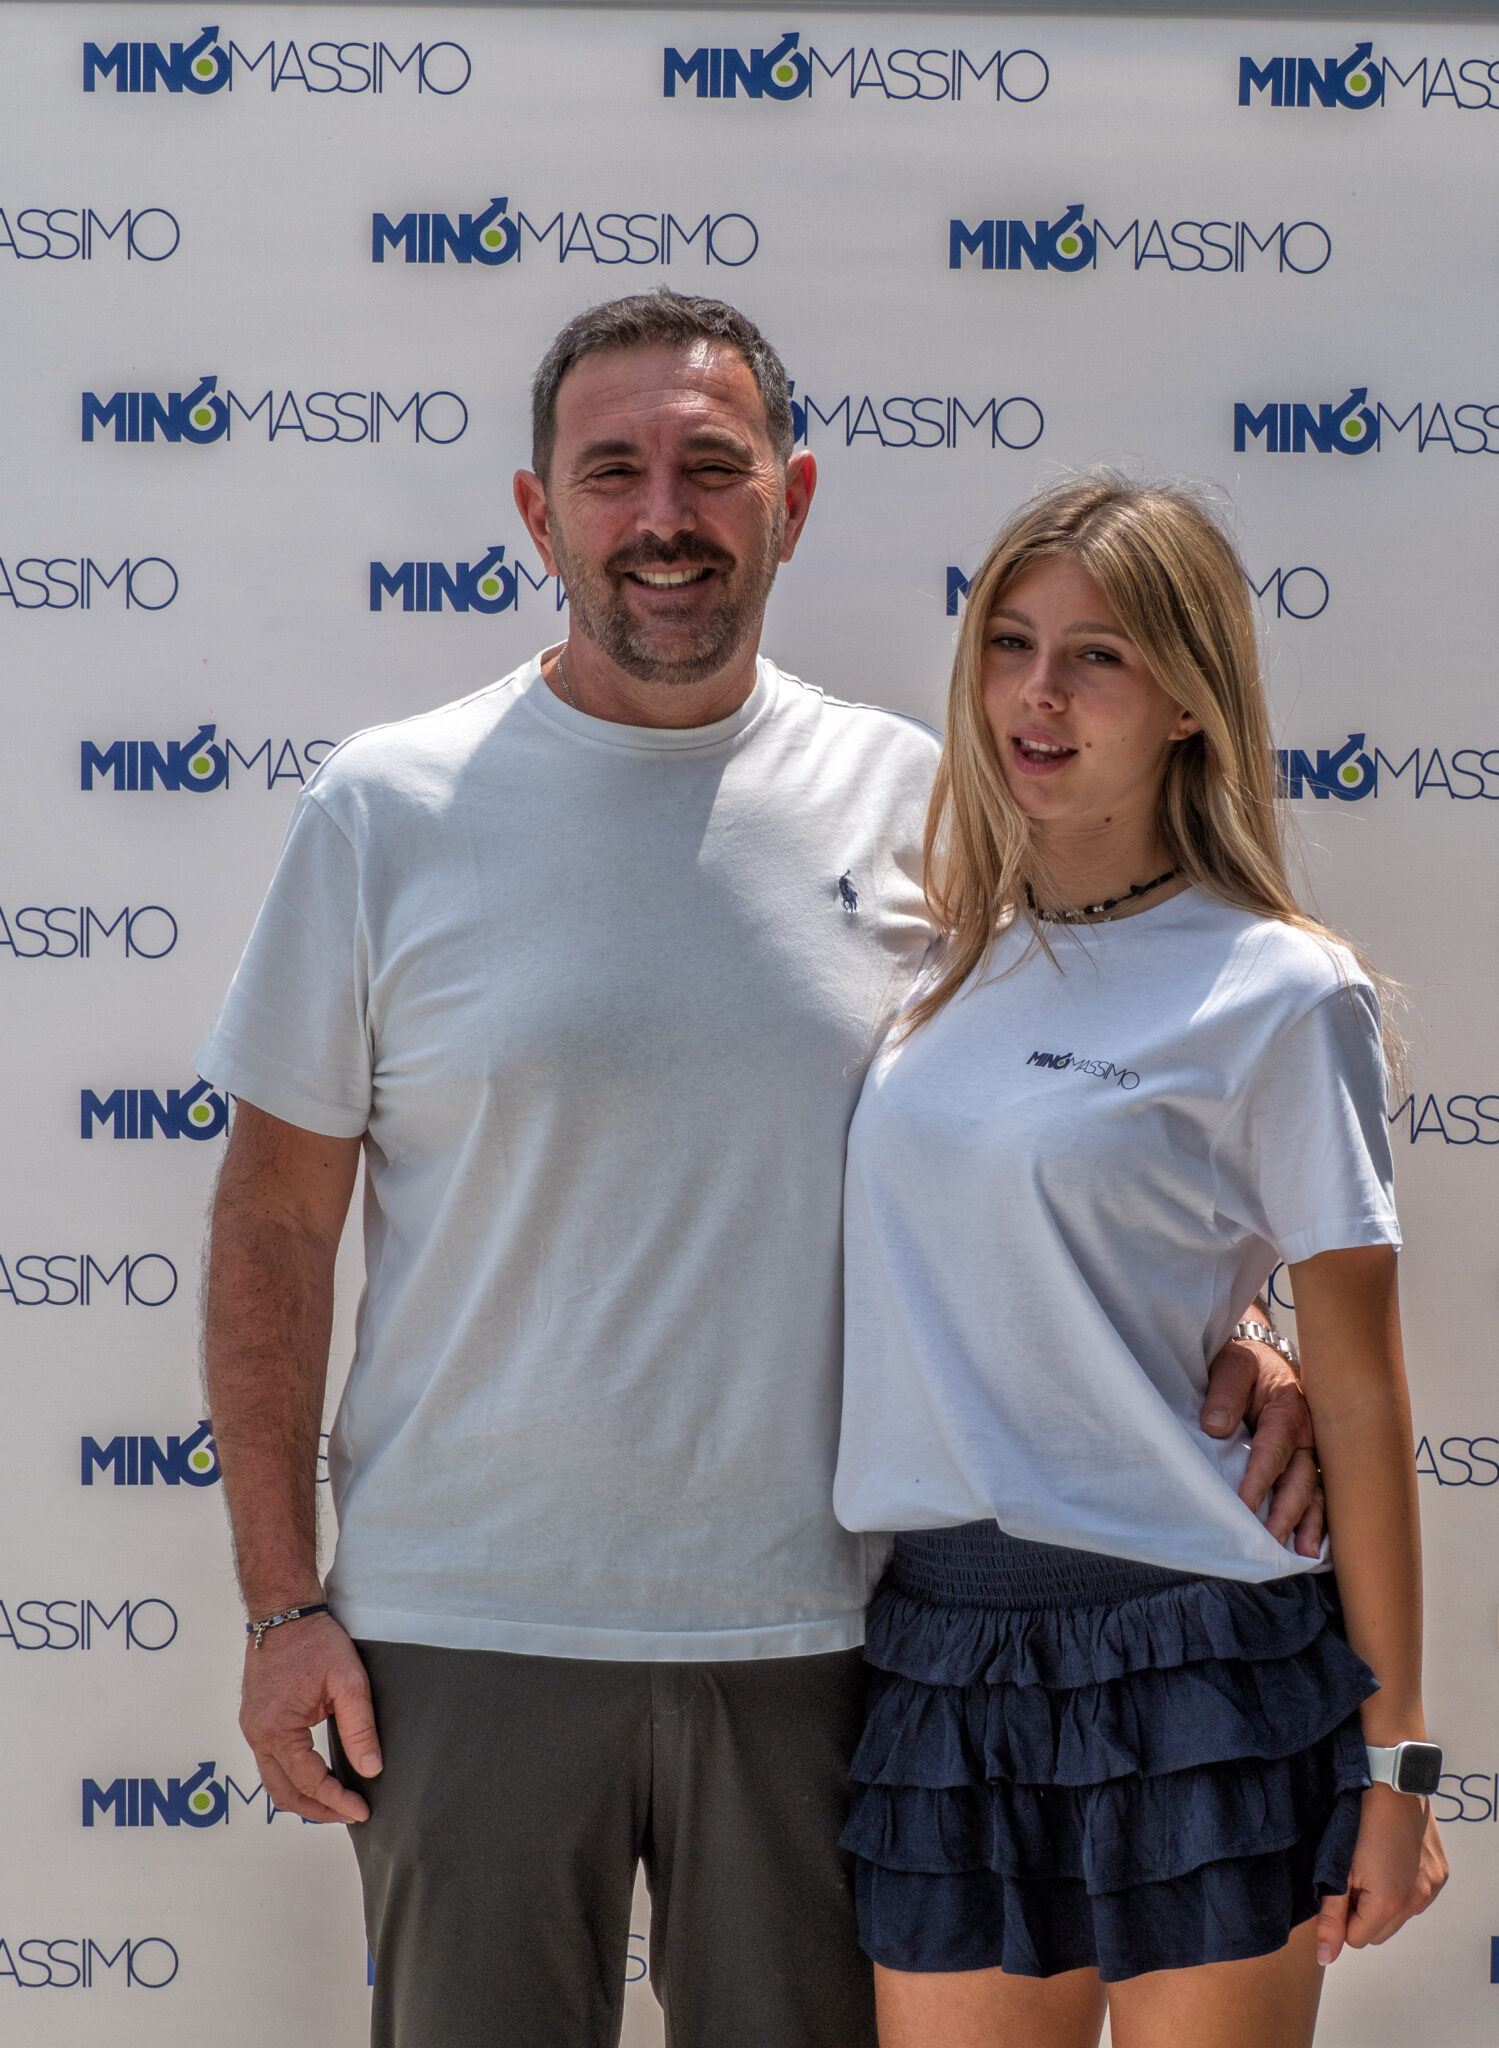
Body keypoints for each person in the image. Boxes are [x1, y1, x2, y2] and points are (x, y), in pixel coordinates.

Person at [198, 295, 1321, 2048]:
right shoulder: (382, 811)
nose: (665, 518)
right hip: (462, 1634)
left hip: (834, 1641)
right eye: (614, 472)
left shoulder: (931, 805)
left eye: (712, 469)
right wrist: (282, 1604)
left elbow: (1093, 1103)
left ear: (791, 499)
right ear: (537, 512)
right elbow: (273, 1227)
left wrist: (1246, 1321)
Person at [832, 474, 1448, 2048]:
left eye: (1096, 656)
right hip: (940, 1656)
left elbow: (1362, 1400)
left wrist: (1398, 1767)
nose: (1038, 694)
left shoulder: (1283, 991)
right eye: (1010, 643)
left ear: (1188, 698)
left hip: (1197, 1660)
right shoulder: (927, 956)